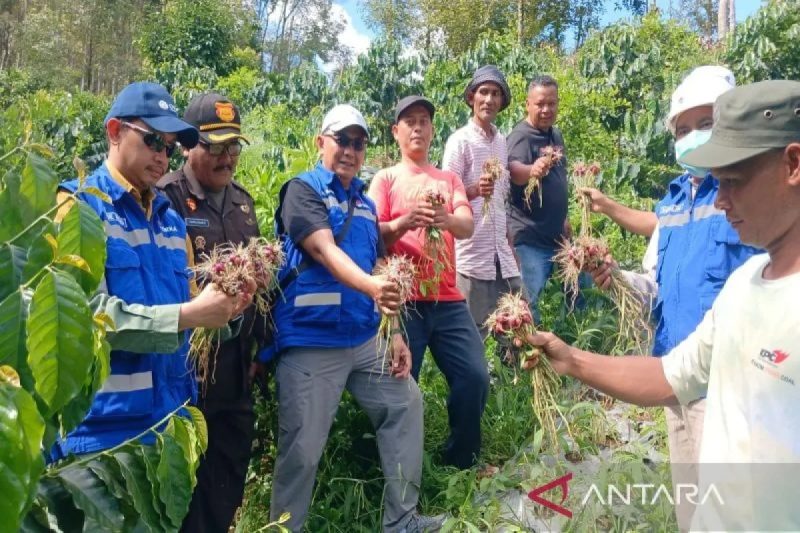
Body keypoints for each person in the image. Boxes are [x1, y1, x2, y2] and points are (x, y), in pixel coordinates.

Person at [528, 79, 800, 531]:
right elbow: (673, 372)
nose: (722, 197)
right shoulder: (744, 286)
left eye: (734, 180)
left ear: (792, 163)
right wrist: (570, 357)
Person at [582, 66, 761, 530]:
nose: (692, 136)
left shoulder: (750, 195)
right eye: (682, 129)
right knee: (692, 503)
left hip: (733, 384)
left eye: (705, 124)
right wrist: (616, 279)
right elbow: (654, 285)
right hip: (675, 376)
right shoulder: (673, 203)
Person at [50, 82, 251, 458]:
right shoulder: (78, 208)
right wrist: (191, 313)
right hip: (101, 434)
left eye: (170, 147)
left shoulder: (172, 223)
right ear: (114, 131)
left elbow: (190, 312)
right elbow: (87, 317)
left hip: (169, 422)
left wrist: (226, 311)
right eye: (152, 141)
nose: (162, 157)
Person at [264, 104, 438, 533]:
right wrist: (372, 287)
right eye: (342, 140)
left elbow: (379, 262)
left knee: (405, 404)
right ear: (320, 142)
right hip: (311, 340)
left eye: (359, 143)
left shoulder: (363, 202)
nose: (350, 150)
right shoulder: (301, 191)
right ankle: (286, 528)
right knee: (302, 448)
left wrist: (394, 332)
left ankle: (402, 521)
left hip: (364, 338)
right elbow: (324, 249)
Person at [156, 93, 264, 533]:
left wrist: (260, 350)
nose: (227, 159)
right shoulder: (167, 197)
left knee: (228, 469)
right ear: (187, 146)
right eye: (215, 147)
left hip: (236, 368)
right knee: (180, 477)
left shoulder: (243, 202)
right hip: (183, 369)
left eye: (233, 147)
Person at [369, 95, 490, 471]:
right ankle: (399, 471)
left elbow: (467, 225)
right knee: (403, 386)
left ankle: (461, 460)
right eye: (410, 121)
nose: (418, 127)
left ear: (432, 129)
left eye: (424, 120)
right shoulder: (386, 179)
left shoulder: (448, 179)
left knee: (475, 375)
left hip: (448, 299)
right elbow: (372, 236)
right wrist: (406, 221)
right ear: (396, 132)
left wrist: (444, 219)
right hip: (404, 301)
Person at [442, 65, 522, 342]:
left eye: (495, 94)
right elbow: (446, 194)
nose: (489, 99)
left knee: (514, 326)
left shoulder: (501, 141)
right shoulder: (459, 141)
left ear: (502, 101)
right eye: (483, 92)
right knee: (474, 334)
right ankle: (478, 383)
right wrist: (474, 190)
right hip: (472, 256)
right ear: (471, 98)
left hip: (502, 256)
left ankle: (510, 384)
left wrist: (510, 245)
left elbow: (502, 199)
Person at [506, 75, 571, 322]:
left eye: (551, 104)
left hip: (557, 238)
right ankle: (520, 355)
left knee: (580, 291)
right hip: (529, 239)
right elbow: (513, 170)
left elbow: (559, 177)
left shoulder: (555, 135)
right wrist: (531, 170)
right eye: (540, 104)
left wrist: (564, 217)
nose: (546, 110)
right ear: (527, 104)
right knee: (527, 305)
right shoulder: (521, 136)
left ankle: (571, 348)